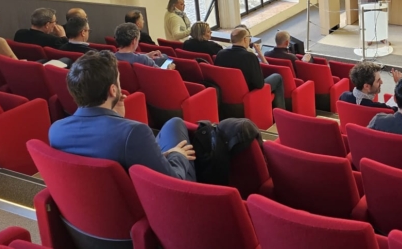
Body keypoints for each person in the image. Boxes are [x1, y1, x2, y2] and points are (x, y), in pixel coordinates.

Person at [48, 50, 196, 181]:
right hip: (163, 196)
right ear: (113, 90)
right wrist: (178, 155)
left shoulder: (56, 130)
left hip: (105, 195)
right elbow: (171, 180)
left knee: (173, 123)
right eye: (118, 81)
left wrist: (116, 115)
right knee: (178, 125)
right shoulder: (135, 133)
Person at [215, 28, 285, 109]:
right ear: (245, 39)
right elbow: (259, 84)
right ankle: (281, 112)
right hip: (249, 94)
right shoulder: (250, 57)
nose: (250, 40)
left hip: (227, 94)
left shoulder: (220, 54)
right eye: (249, 38)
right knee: (277, 77)